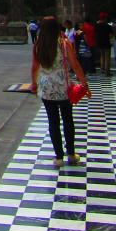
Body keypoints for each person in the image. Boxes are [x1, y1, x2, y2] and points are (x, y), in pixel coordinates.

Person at [30, 16, 89, 168]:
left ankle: (58, 157)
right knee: (68, 119)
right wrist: (84, 84)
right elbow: (75, 65)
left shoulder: (38, 45)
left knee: (53, 121)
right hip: (63, 87)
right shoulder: (64, 44)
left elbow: (35, 67)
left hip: (46, 88)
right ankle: (71, 154)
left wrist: (33, 84)